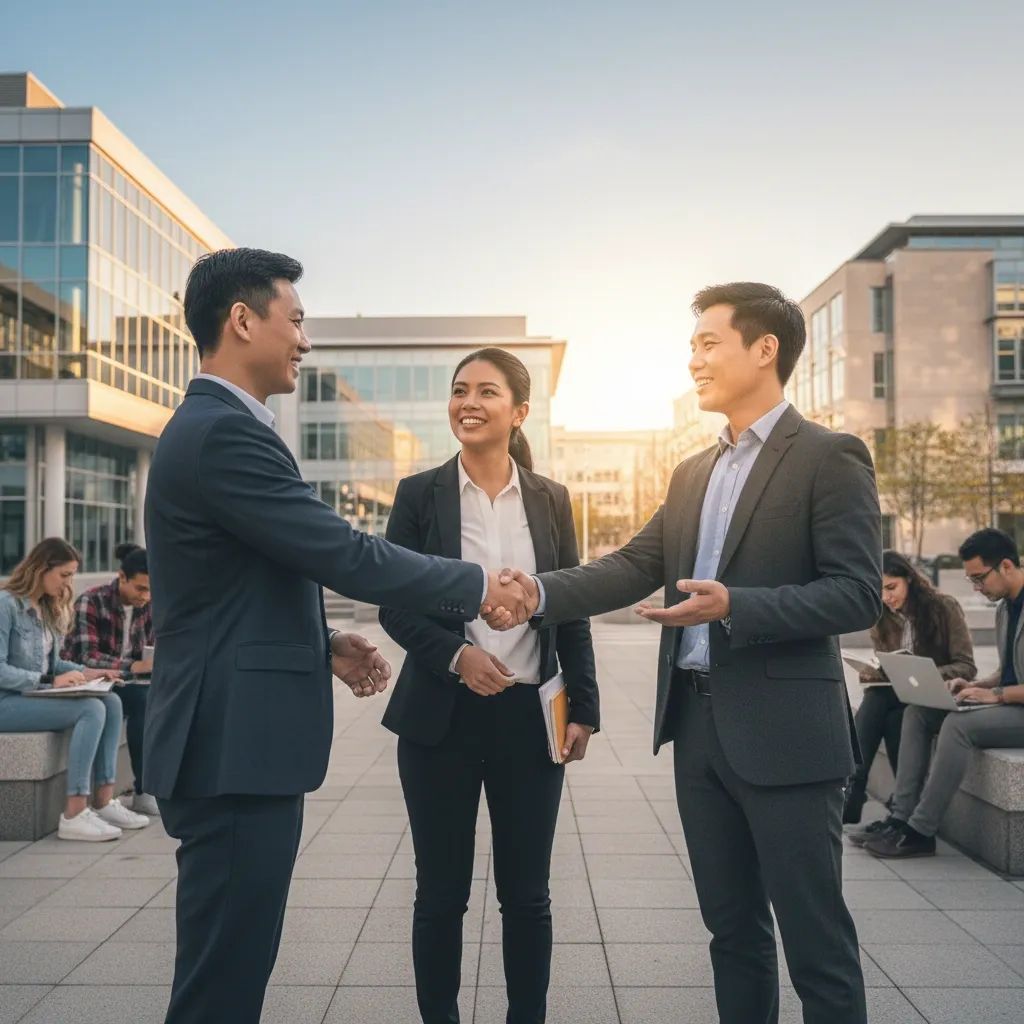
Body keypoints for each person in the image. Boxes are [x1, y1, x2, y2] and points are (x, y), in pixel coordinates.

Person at [144, 248, 533, 1024]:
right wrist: (475, 585)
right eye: (294, 319)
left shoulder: (220, 428)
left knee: (231, 966)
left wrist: (320, 645)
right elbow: (340, 551)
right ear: (242, 320)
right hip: (231, 751)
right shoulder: (223, 432)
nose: (304, 340)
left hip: (236, 744)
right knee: (222, 982)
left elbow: (237, 584)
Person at [493, 282, 882, 1024]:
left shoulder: (830, 457)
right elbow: (632, 565)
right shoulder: (692, 471)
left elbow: (856, 594)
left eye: (709, 343)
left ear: (765, 349)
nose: (694, 360)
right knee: (731, 932)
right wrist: (535, 593)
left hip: (789, 737)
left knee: (816, 944)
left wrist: (739, 604)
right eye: (692, 346)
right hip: (698, 731)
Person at [379, 348, 599, 1024]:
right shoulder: (421, 495)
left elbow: (571, 603)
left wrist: (583, 706)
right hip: (439, 720)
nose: (467, 402)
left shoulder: (553, 499)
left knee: (528, 895)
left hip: (530, 722)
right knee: (440, 894)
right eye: (458, 391)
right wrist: (455, 656)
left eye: (485, 392)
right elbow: (393, 602)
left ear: (519, 411)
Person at [863, 528, 1024, 858]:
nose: (977, 588)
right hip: (1010, 702)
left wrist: (998, 695)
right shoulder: (1005, 609)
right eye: (972, 581)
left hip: (1016, 707)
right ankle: (900, 816)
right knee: (917, 712)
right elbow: (1009, 670)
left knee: (957, 725)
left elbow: (1006, 683)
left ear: (1006, 566)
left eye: (980, 578)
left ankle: (921, 830)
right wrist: (977, 685)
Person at [0, 538, 150, 840]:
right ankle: (74, 812)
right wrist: (48, 681)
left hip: (31, 697)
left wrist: (92, 672)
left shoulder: (45, 607)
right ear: (41, 569)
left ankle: (104, 800)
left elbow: (54, 663)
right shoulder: (7, 605)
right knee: (90, 708)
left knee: (110, 701)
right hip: (8, 701)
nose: (69, 582)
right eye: (65, 575)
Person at [843, 550, 976, 824]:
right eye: (880, 591)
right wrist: (876, 673)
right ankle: (892, 806)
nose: (887, 597)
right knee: (882, 702)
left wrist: (926, 673)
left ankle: (854, 792)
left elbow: (966, 666)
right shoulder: (883, 616)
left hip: (934, 695)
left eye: (892, 587)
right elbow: (889, 664)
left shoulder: (944, 608)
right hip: (898, 695)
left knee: (885, 705)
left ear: (910, 580)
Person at [63, 542, 159, 815]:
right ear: (122, 577)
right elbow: (86, 658)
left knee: (159, 697)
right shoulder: (91, 601)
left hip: (130, 683)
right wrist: (135, 666)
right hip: (91, 683)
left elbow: (152, 651)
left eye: (151, 589)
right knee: (142, 700)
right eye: (140, 588)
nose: (146, 596)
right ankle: (140, 791)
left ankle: (154, 788)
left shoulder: (149, 606)